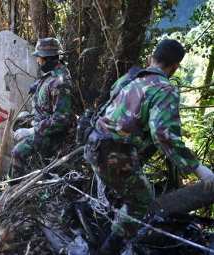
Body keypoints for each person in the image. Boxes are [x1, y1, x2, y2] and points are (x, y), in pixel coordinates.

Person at [80, 39, 214, 254]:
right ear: (175, 66)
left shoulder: (129, 78)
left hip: (93, 146)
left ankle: (108, 224)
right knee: (142, 203)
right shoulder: (165, 88)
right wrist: (199, 169)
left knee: (126, 194)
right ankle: (109, 250)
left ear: (152, 57)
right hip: (115, 155)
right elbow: (163, 134)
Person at [10, 37, 73, 178]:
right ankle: (30, 172)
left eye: (40, 58)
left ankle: (12, 187)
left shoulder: (60, 82)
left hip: (54, 136)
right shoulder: (54, 73)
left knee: (17, 153)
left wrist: (33, 131)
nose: (38, 62)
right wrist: (38, 86)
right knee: (19, 122)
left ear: (49, 59)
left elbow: (61, 120)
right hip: (42, 122)